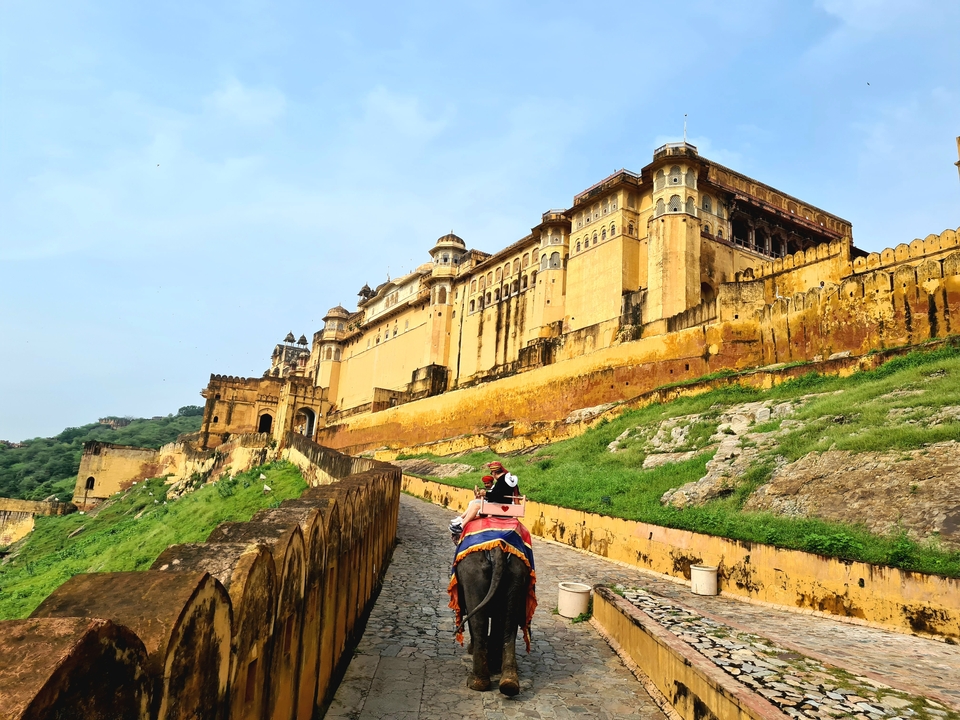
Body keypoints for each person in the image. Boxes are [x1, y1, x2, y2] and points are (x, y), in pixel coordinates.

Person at [449, 461, 520, 537]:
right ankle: (462, 519)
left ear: (494, 472)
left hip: (499, 505)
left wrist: (485, 494)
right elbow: (498, 494)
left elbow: (498, 496)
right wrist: (485, 495)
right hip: (502, 504)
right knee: (475, 502)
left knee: (476, 505)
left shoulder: (502, 482)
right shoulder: (506, 480)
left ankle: (461, 526)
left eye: (491, 473)